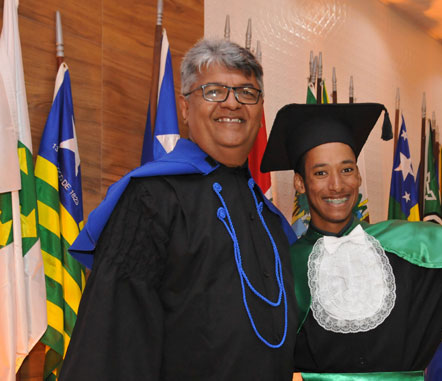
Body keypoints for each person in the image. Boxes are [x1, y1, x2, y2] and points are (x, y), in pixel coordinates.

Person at [260, 103, 442, 380]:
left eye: (347, 169)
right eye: (321, 172)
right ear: (300, 183)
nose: (337, 185)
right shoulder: (283, 269)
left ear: (359, 176)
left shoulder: (414, 250)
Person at [60, 39, 298, 380]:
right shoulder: (152, 199)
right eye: (214, 91)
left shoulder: (268, 217)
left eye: (247, 92)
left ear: (260, 110)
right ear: (185, 108)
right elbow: (112, 342)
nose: (232, 103)